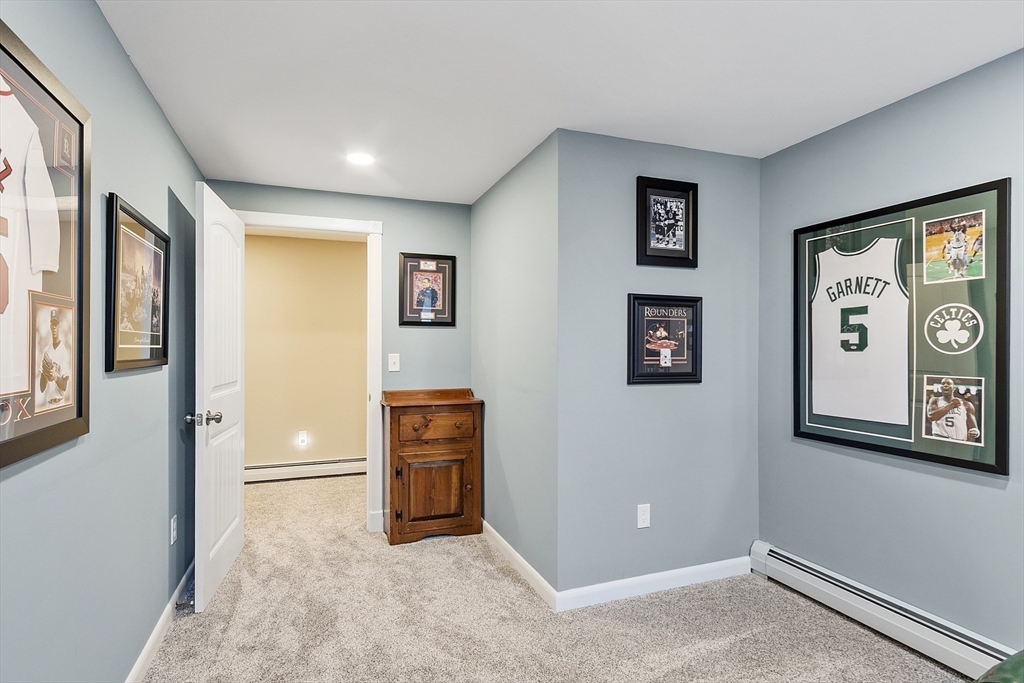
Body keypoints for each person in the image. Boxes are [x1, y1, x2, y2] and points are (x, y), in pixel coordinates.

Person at [926, 377, 980, 442]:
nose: (945, 385)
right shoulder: (935, 400)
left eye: (948, 383)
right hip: (940, 438)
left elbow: (974, 428)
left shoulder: (966, 404)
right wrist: (951, 405)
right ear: (940, 388)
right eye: (943, 384)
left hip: (960, 440)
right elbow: (931, 417)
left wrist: (975, 432)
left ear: (954, 388)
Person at [39, 309, 71, 407]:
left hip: (60, 403)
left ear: (59, 326)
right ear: (50, 327)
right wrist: (45, 373)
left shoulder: (63, 351)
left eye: (56, 324)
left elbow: (64, 386)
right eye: (52, 324)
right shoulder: (46, 351)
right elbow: (42, 388)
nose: (54, 327)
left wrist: (55, 377)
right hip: (49, 404)